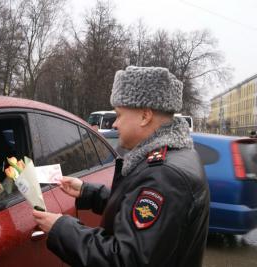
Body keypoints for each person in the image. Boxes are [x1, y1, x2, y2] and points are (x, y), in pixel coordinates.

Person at [32, 66, 210, 267]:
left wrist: (61, 228)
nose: (115, 124)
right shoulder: (174, 156)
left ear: (145, 116)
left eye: (119, 115)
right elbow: (136, 208)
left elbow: (124, 260)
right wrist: (88, 192)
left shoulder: (164, 176)